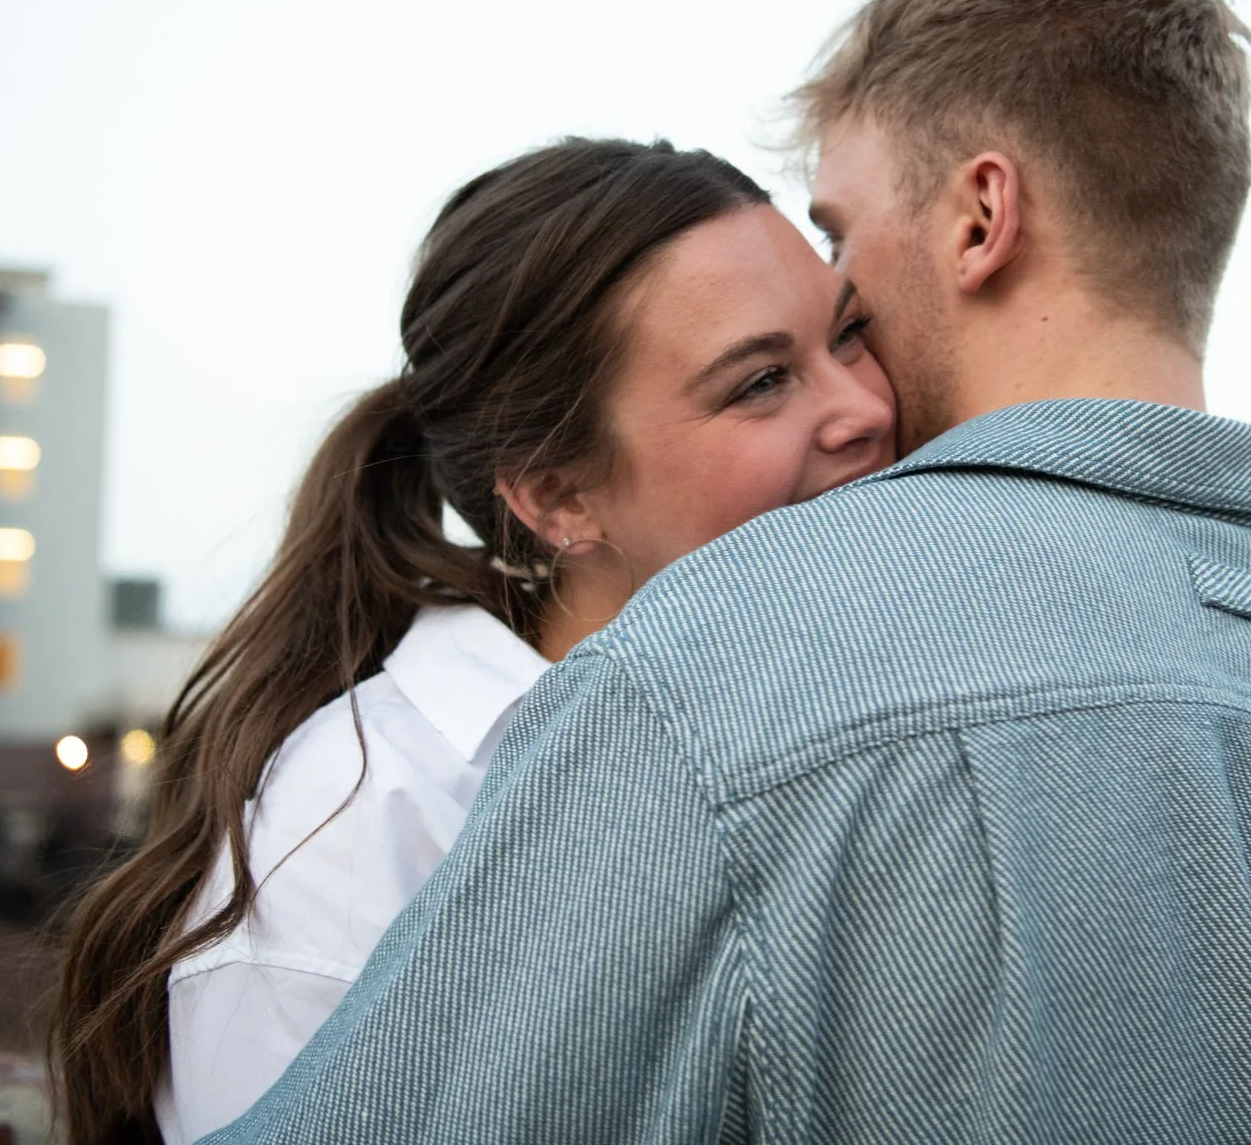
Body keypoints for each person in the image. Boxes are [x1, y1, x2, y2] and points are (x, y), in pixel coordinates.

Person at [207, 0, 1251, 1144]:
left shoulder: (720, 664)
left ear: (979, 215)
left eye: (840, 241)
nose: (850, 338)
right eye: (764, 370)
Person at [50, 139, 897, 1145]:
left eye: (847, 334)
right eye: (759, 382)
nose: (868, 408)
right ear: (558, 496)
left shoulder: (822, 709)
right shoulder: (359, 831)